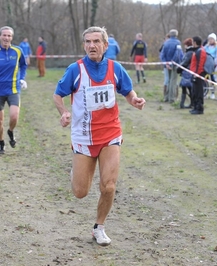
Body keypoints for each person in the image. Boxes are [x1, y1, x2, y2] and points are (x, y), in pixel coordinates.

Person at [53, 26, 146, 246]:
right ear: (84, 45)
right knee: (80, 192)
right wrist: (64, 112)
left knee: (109, 186)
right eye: (87, 42)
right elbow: (58, 95)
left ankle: (99, 227)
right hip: (83, 136)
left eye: (96, 41)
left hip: (110, 134)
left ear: (106, 45)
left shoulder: (115, 68)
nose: (91, 46)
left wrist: (134, 100)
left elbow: (127, 91)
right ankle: (77, 172)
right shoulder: (75, 70)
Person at [0, 26, 27, 155]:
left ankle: (11, 131)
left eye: (9, 36)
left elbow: (24, 65)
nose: (6, 38)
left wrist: (22, 78)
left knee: (14, 116)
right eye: (4, 35)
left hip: (13, 89)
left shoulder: (18, 51)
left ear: (12, 37)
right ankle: (1, 142)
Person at [160, 29, 183, 103]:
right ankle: (172, 98)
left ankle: (166, 97)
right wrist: (172, 63)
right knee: (173, 81)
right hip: (174, 64)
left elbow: (162, 54)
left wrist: (165, 63)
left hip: (167, 64)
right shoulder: (178, 42)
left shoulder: (166, 43)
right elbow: (178, 54)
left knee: (168, 80)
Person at [189, 36, 207, 115]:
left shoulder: (200, 51)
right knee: (194, 91)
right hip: (194, 73)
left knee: (199, 91)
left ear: (195, 42)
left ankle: (199, 108)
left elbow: (200, 64)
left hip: (198, 74)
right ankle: (195, 107)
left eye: (192, 42)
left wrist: (197, 74)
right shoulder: (196, 51)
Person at [177, 38, 195, 109]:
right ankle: (188, 104)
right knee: (187, 89)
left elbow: (185, 62)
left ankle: (186, 104)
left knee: (187, 88)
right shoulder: (190, 52)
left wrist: (179, 69)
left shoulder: (189, 53)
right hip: (187, 72)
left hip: (188, 73)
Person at [204, 33, 217, 99]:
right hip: (206, 65)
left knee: (213, 79)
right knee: (205, 78)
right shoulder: (206, 47)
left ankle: (213, 92)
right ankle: (205, 92)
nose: (210, 40)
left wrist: (214, 64)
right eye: (209, 39)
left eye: (212, 39)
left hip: (214, 66)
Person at [159, 34, 170, 100]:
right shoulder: (164, 45)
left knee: (171, 80)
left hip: (171, 64)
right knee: (167, 79)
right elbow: (161, 52)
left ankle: (170, 95)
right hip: (166, 64)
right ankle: (165, 96)